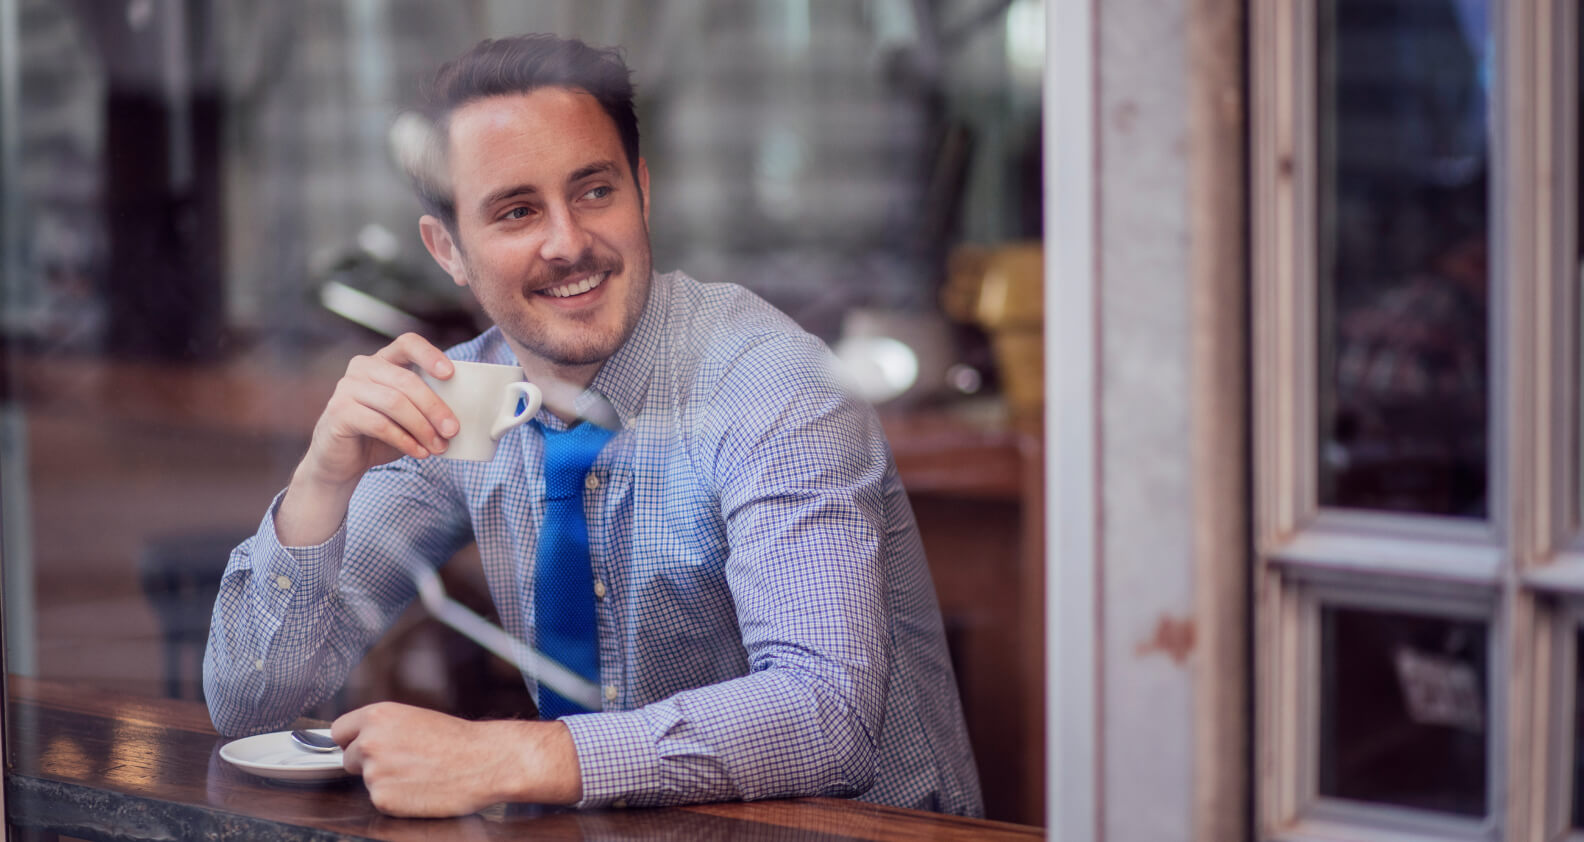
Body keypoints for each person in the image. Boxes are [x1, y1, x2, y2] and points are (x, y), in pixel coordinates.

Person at [203, 34, 982, 819]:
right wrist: (322, 481)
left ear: (642, 190)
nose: (568, 242)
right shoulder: (470, 396)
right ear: (448, 250)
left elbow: (825, 717)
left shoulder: (769, 382)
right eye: (515, 211)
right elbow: (252, 711)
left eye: (594, 192)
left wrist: (507, 755)